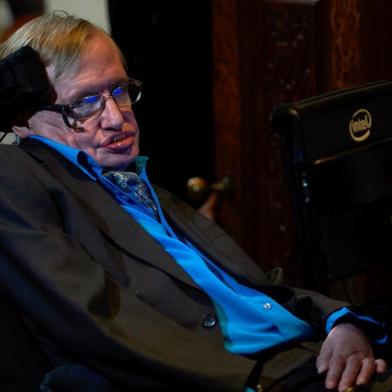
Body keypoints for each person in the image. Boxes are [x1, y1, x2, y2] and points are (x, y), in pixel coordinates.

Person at [0, 11, 390, 392]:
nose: (117, 118)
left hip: (313, 353)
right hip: (241, 374)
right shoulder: (20, 174)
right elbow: (94, 319)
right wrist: (249, 382)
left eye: (119, 91)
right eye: (84, 103)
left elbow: (258, 289)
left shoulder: (142, 186)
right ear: (23, 117)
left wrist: (340, 322)